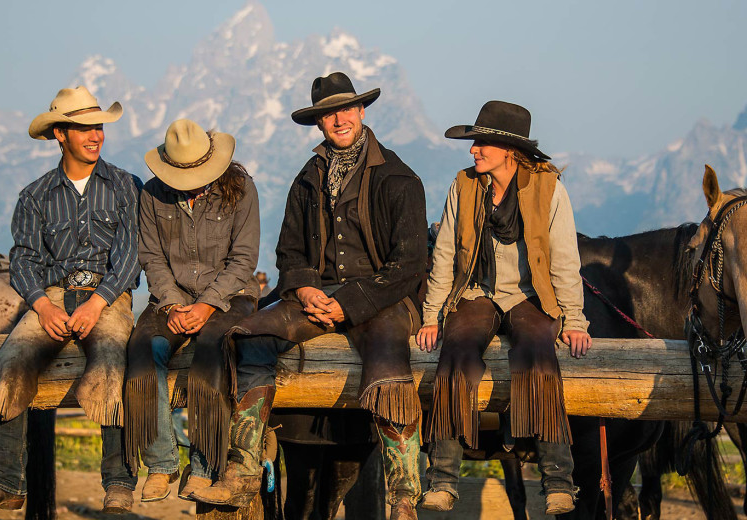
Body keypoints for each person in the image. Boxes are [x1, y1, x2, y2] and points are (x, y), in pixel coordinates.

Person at [190, 71, 428, 520]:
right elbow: (289, 250)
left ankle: (403, 495)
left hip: (382, 297)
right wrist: (303, 286)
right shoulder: (307, 177)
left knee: (387, 361)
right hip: (314, 293)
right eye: (328, 114)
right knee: (247, 335)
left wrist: (351, 303)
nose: (338, 119)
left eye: (345, 109)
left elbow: (410, 265)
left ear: (361, 111)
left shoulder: (398, 177)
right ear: (318, 123)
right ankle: (241, 469)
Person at [0, 86, 141, 515]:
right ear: (61, 133)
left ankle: (118, 483)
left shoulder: (125, 186)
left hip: (109, 294)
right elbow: (23, 258)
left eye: (98, 126)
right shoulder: (34, 195)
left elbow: (131, 254)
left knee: (114, 362)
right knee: (11, 361)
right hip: (53, 296)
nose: (95, 135)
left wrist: (99, 302)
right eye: (84, 128)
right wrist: (42, 305)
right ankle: (5, 480)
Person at [415, 101, 592, 515]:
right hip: (475, 292)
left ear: (508, 149)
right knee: (455, 352)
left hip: (531, 295)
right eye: (474, 143)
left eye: (481, 143)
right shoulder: (463, 185)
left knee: (538, 356)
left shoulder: (549, 188)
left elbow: (565, 258)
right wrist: (431, 315)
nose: (473, 150)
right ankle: (442, 479)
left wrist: (575, 319)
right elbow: (444, 255)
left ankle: (557, 482)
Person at [123, 119, 260, 502]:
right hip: (172, 297)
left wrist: (206, 304)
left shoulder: (241, 190)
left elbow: (244, 259)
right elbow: (151, 255)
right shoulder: (151, 194)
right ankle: (162, 463)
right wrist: (171, 302)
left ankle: (202, 466)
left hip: (230, 296)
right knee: (141, 351)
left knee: (212, 353)